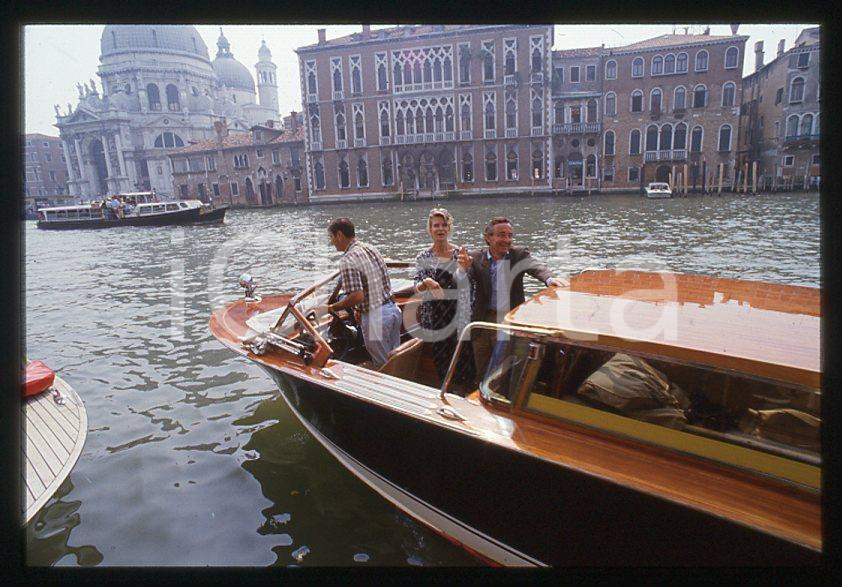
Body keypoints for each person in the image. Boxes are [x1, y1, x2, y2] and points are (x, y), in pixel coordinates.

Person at [458, 216, 568, 377]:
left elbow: (535, 266)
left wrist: (549, 279)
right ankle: (480, 396)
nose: (507, 240)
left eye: (510, 235)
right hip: (482, 321)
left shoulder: (518, 255)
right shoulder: (474, 258)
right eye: (502, 235)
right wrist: (462, 269)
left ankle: (502, 396)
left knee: (505, 368)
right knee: (482, 366)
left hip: (508, 319)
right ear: (488, 238)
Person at [321, 218, 402, 369]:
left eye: (331, 237)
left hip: (376, 319)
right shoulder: (370, 248)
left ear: (339, 235)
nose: (331, 242)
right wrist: (359, 309)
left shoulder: (347, 260)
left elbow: (357, 296)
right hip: (393, 310)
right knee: (395, 358)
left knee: (384, 366)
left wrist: (333, 308)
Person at [413, 208, 476, 388]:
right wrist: (426, 282)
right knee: (441, 360)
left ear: (449, 228)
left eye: (444, 225)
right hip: (434, 318)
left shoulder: (460, 254)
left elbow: (468, 286)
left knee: (464, 360)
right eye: (436, 226)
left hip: (458, 316)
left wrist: (464, 269)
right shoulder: (423, 256)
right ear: (430, 229)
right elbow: (417, 287)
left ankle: (464, 393)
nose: (440, 229)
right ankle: (445, 391)